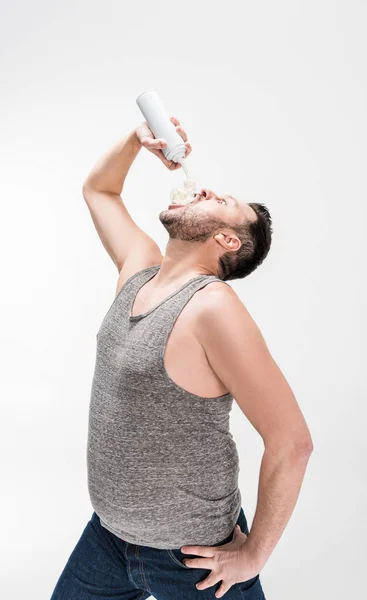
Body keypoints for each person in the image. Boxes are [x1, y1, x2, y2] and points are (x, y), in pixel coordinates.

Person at [50, 116, 313, 600]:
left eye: (223, 202)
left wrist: (254, 554)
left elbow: (291, 441)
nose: (208, 190)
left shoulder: (213, 306)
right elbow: (99, 191)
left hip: (191, 558)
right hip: (108, 538)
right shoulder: (140, 269)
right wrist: (136, 141)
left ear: (227, 242)